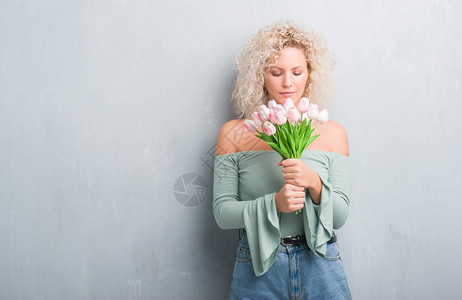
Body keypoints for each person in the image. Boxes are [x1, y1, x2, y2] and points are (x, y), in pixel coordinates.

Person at [213, 19, 352, 300]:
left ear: (310, 74)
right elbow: (222, 213)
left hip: (321, 263)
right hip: (258, 265)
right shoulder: (234, 134)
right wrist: (274, 204)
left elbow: (339, 216)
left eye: (297, 72)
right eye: (276, 72)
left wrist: (313, 183)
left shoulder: (333, 133)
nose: (288, 82)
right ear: (260, 76)